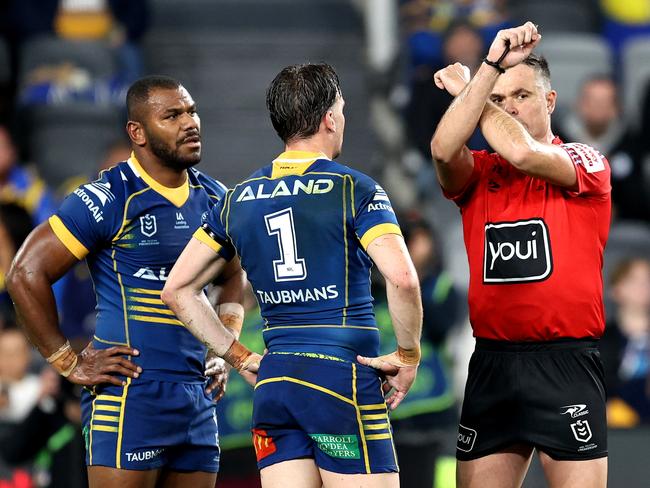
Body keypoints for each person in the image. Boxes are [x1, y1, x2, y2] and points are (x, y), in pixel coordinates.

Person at [162, 63, 423, 488]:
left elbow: (176, 290)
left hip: (276, 381)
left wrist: (239, 357)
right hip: (340, 378)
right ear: (330, 119)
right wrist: (408, 356)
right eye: (342, 109)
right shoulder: (354, 188)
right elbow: (403, 278)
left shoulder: (238, 198)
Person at [7, 75, 246, 488]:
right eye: (172, 115)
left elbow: (232, 275)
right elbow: (25, 274)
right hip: (130, 396)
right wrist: (68, 361)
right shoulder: (108, 197)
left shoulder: (215, 198)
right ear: (137, 132)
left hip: (197, 399)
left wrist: (222, 350)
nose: (190, 123)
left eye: (191, 111)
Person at [430, 22, 610, 488]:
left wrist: (475, 88)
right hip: (493, 362)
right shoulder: (480, 173)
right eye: (498, 99)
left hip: (565, 363)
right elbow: (443, 149)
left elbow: (523, 151)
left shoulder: (584, 161)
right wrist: (484, 78)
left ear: (550, 102)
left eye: (522, 97)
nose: (509, 107)